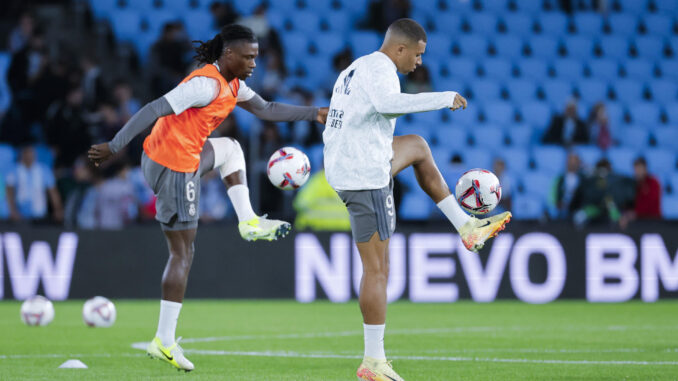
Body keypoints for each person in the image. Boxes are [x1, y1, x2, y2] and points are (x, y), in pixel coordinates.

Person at [87, 24, 328, 372]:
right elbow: (154, 108)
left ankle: (249, 221)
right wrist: (114, 145)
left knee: (231, 149)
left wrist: (314, 113)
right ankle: (164, 341)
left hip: (177, 157)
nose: (253, 63)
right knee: (183, 252)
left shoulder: (233, 85)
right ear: (228, 55)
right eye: (247, 57)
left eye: (256, 57)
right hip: (172, 166)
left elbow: (266, 108)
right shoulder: (204, 84)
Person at [322, 19, 511, 381]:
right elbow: (387, 104)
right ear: (400, 49)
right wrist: (442, 98)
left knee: (417, 147)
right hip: (364, 177)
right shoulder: (382, 71)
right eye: (418, 55)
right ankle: (373, 361)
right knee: (377, 271)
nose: (420, 63)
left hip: (350, 163)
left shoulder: (355, 67)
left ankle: (467, 226)